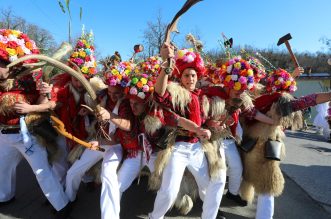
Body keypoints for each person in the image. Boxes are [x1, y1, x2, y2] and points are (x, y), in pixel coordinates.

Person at [240, 68, 331, 219]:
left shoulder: (264, 98)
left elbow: (309, 99)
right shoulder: (261, 97)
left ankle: (251, 204)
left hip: (260, 143)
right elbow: (308, 99)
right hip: (260, 143)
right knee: (267, 184)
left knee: (264, 180)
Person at [148, 46, 226, 219]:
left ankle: (210, 216)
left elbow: (205, 120)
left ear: (197, 77)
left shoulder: (201, 95)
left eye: (193, 75)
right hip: (178, 147)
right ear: (180, 77)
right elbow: (159, 95)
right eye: (186, 75)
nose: (190, 78)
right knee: (169, 191)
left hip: (197, 148)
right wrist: (166, 65)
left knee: (210, 186)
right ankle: (155, 217)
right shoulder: (175, 92)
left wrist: (214, 125)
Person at [0, 29, 70, 218]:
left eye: (1, 65)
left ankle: (62, 205)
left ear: (11, 64)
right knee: (3, 168)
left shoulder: (29, 80)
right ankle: (5, 197)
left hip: (27, 135)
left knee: (42, 172)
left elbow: (46, 105)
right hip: (3, 135)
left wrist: (42, 94)